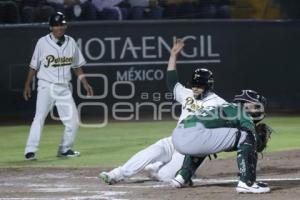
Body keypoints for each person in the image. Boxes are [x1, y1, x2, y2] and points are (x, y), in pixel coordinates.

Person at [99, 39, 226, 184]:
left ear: (208, 86)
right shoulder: (188, 94)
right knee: (150, 152)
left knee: (164, 176)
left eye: (199, 86)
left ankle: (167, 168)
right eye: (194, 85)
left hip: (193, 149)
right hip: (176, 139)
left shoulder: (219, 103)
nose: (195, 88)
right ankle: (116, 174)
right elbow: (172, 82)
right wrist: (173, 56)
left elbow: (232, 121)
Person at [170, 89, 271, 193]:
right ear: (244, 103)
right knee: (246, 136)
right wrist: (258, 141)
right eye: (256, 106)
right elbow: (250, 135)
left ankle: (182, 177)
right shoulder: (241, 110)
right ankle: (247, 183)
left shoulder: (225, 107)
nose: (259, 110)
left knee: (206, 142)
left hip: (178, 134)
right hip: (195, 135)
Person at [23, 12, 93, 161]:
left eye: (61, 24)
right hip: (46, 86)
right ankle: (30, 150)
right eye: (56, 25)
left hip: (64, 88)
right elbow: (33, 66)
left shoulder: (71, 42)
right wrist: (27, 84)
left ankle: (65, 149)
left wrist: (85, 83)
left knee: (73, 120)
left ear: (65, 26)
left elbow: (77, 66)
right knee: (39, 117)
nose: (59, 28)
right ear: (50, 27)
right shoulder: (42, 42)